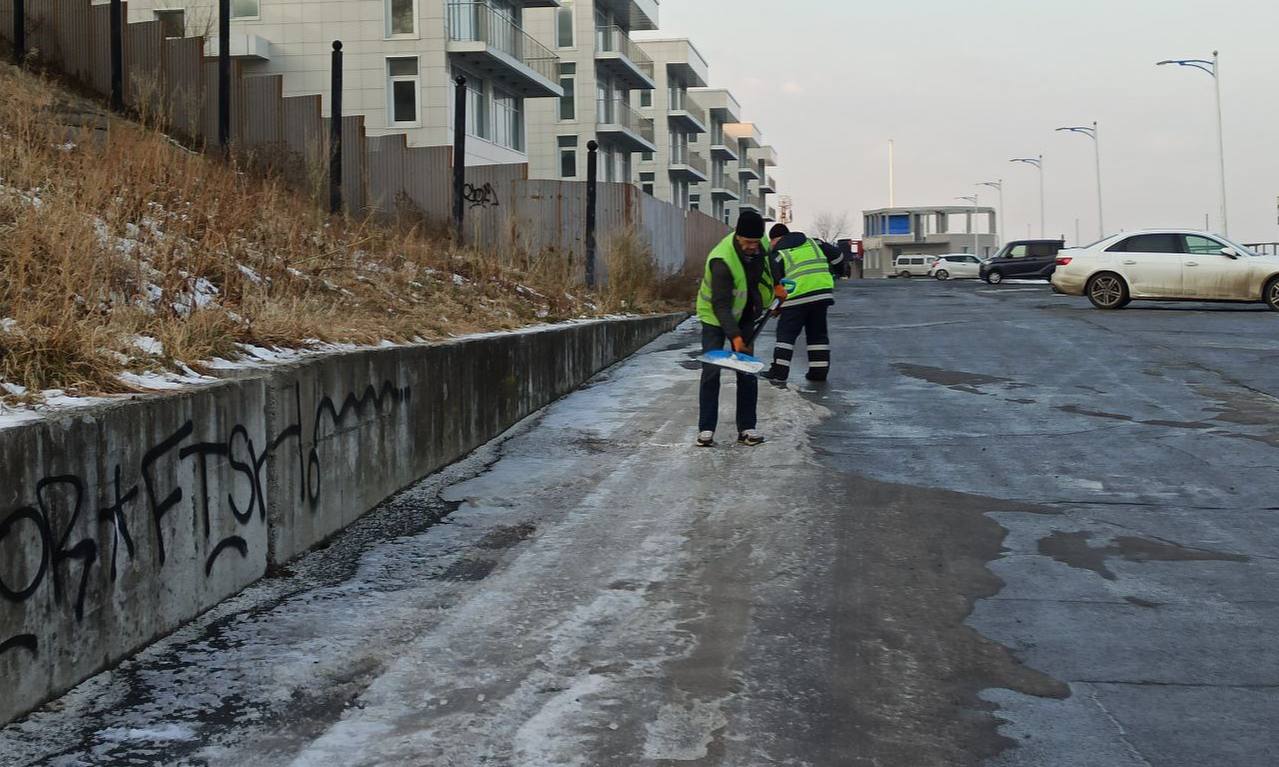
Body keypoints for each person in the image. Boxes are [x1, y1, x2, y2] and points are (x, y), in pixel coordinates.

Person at [694, 210, 783, 447]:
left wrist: (777, 285)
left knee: (747, 370)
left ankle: (747, 428)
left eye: (756, 242)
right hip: (715, 317)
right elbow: (720, 305)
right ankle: (706, 430)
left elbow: (770, 260)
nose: (752, 246)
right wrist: (734, 337)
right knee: (712, 370)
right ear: (737, 236)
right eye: (748, 242)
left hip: (745, 313)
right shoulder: (722, 260)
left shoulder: (761, 243)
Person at [761, 224, 842, 384]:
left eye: (771, 242)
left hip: (796, 297)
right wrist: (837, 272)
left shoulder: (778, 254)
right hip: (821, 293)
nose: (771, 245)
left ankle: (779, 372)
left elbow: (776, 283)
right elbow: (838, 257)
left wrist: (776, 306)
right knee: (817, 334)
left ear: (775, 239)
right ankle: (818, 372)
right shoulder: (814, 242)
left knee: (786, 334)